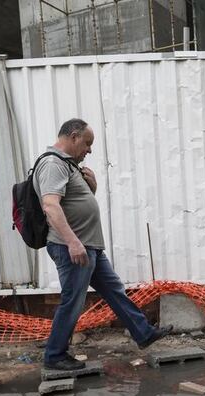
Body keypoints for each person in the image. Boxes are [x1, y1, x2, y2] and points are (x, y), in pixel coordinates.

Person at [35, 118, 171, 371]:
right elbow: (50, 206)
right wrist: (73, 242)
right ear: (74, 136)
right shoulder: (53, 164)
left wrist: (92, 189)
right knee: (72, 300)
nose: (89, 150)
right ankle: (55, 356)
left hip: (89, 246)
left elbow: (74, 204)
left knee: (114, 291)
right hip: (74, 247)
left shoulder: (69, 165)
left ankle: (143, 333)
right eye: (87, 143)